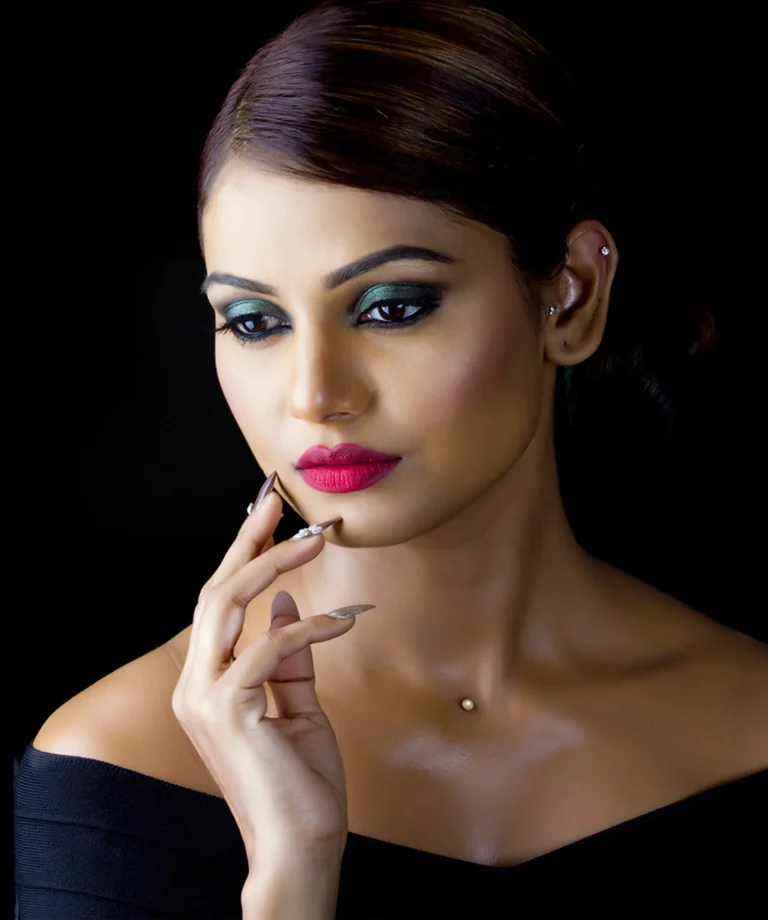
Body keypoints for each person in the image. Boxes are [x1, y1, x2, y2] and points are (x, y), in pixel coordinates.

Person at [14, 1, 767, 918]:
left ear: (570, 297)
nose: (314, 393)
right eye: (255, 322)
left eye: (391, 306)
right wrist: (291, 880)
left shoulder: (752, 719)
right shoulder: (116, 771)